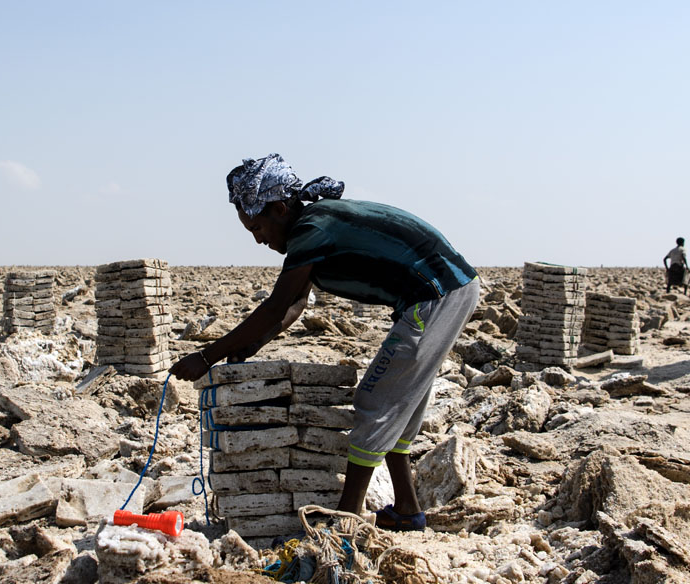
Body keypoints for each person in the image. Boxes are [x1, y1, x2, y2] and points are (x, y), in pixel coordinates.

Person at [170, 153, 481, 529]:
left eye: (258, 228)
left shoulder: (312, 229)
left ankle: (347, 516)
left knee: (374, 400)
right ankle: (406, 509)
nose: (257, 240)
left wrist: (207, 355)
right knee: (401, 402)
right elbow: (297, 303)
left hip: (437, 294)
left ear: (280, 209)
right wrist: (252, 345)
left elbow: (275, 306)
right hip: (446, 291)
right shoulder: (316, 223)